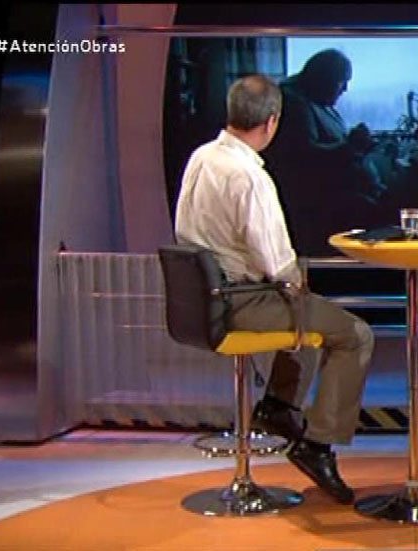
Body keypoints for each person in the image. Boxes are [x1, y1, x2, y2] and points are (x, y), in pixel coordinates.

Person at [174, 74, 375, 504]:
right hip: (238, 300)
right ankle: (317, 445)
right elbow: (277, 262)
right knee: (354, 334)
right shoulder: (249, 176)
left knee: (310, 315)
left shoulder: (201, 157)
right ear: (271, 121)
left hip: (203, 298)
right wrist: (296, 284)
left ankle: (279, 407)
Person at [262, 48, 384, 254]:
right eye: (341, 82)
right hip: (324, 205)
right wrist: (352, 146)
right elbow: (306, 158)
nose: (345, 89)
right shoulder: (294, 103)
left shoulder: (319, 102)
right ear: (323, 78)